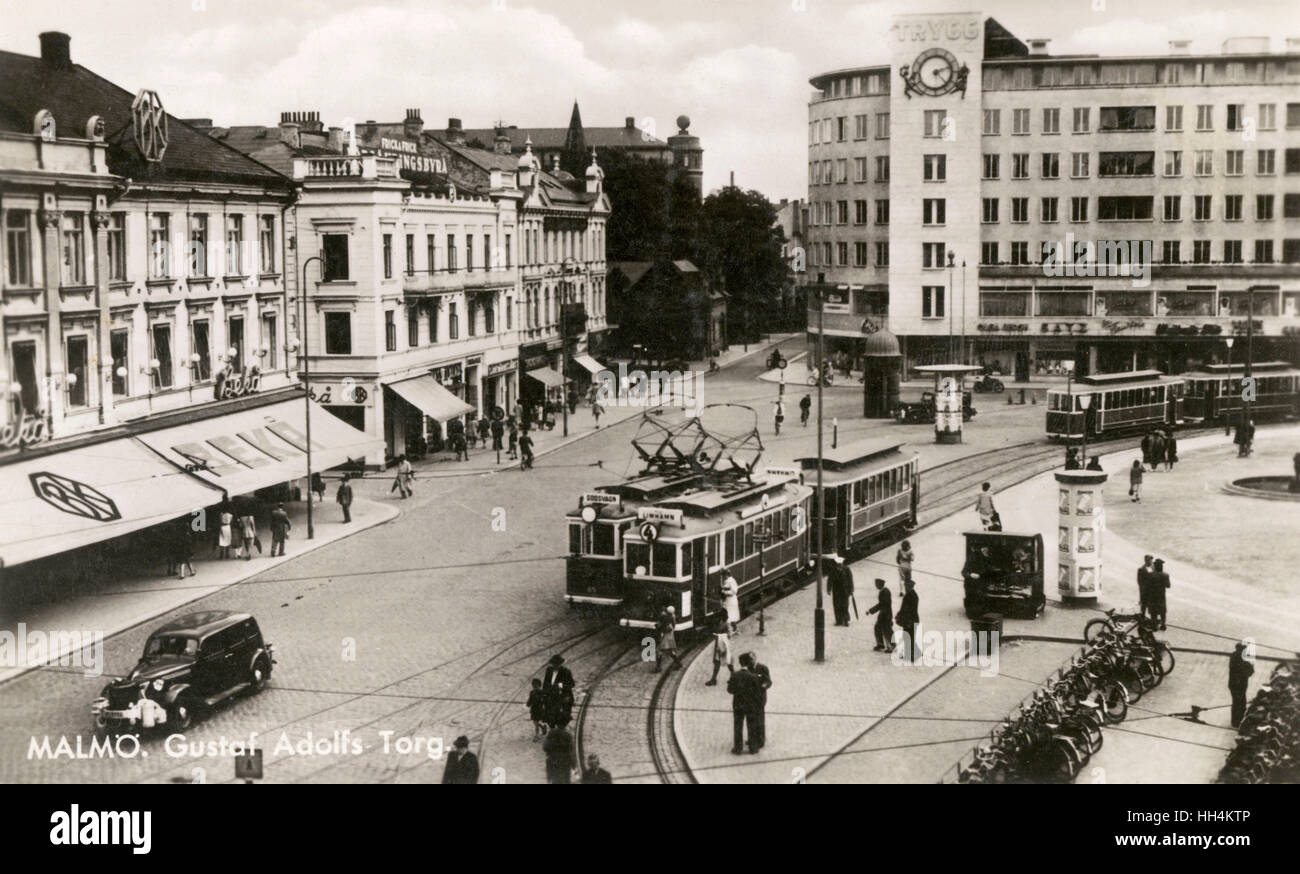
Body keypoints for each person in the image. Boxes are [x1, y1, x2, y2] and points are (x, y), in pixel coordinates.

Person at [727, 657, 764, 755]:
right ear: (749, 664)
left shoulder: (735, 675)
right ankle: (753, 748)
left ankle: (738, 748)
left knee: (738, 726)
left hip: (738, 705)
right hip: (750, 705)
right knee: (751, 726)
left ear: (740, 663)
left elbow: (730, 690)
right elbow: (757, 692)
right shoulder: (753, 677)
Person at [746, 652, 772, 750]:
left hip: (760, 698)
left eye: (752, 659)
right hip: (750, 698)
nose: (751, 661)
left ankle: (761, 740)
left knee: (759, 719)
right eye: (749, 660)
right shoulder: (748, 669)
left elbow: (768, 681)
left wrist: (763, 687)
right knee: (750, 719)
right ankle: (751, 738)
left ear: (755, 658)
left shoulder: (763, 668)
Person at [542, 654, 575, 729]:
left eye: (557, 664)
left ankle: (561, 727)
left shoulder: (566, 672)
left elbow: (572, 684)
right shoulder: (549, 670)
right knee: (549, 716)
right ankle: (552, 727)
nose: (555, 666)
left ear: (560, 664)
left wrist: (561, 685)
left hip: (563, 696)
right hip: (551, 697)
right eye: (553, 664)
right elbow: (545, 683)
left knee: (563, 716)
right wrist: (544, 695)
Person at [1228, 641, 1254, 729]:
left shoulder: (1235, 656)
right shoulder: (1240, 657)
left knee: (1238, 702)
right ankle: (1237, 721)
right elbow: (1249, 671)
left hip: (1236, 684)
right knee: (1239, 703)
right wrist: (1250, 667)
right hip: (1238, 685)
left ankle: (1236, 721)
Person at [542, 717, 574, 784]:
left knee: (554, 780)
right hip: (565, 762)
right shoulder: (568, 735)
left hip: (553, 761)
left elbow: (545, 747)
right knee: (565, 780)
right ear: (566, 724)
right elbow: (571, 751)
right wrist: (574, 764)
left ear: (557, 724)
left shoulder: (551, 733)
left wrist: (550, 753)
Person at [896, 578, 920, 663]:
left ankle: (912, 655)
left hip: (911, 620)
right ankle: (912, 653)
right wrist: (899, 614)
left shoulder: (913, 596)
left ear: (911, 586)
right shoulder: (909, 595)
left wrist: (908, 620)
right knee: (907, 636)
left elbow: (912, 610)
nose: (906, 587)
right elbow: (903, 608)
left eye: (907, 586)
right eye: (905, 586)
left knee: (910, 637)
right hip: (908, 620)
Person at [867, 578, 893, 652]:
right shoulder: (883, 591)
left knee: (887, 630)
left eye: (877, 584)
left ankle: (891, 646)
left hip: (885, 614)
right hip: (884, 613)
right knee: (878, 628)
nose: (876, 585)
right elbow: (881, 604)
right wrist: (871, 611)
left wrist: (871, 611)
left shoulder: (885, 592)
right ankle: (881, 644)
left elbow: (882, 604)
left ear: (880, 584)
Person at [654, 606, 683, 672]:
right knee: (670, 651)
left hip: (666, 637)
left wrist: (658, 627)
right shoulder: (672, 617)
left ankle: (658, 667)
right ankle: (679, 663)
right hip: (670, 637)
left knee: (659, 651)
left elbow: (661, 628)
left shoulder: (666, 618)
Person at [706, 618, 733, 686]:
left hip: (722, 645)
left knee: (726, 662)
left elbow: (729, 634)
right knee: (724, 662)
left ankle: (714, 679)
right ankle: (714, 679)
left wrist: (721, 636)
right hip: (720, 645)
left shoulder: (724, 624)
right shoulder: (724, 624)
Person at [828, 556, 853, 626]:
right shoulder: (833, 571)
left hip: (845, 591)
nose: (839, 565)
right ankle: (838, 620)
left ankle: (845, 620)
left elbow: (850, 580)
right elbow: (830, 580)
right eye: (838, 564)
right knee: (837, 606)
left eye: (841, 564)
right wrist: (829, 589)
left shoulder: (847, 569)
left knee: (845, 606)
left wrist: (851, 589)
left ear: (842, 563)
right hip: (836, 591)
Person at [1148, 558, 1170, 631]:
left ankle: (1154, 625)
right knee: (1162, 611)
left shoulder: (1151, 575)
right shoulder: (1165, 575)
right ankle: (1163, 624)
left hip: (1152, 595)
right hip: (1161, 595)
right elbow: (1168, 585)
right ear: (1161, 566)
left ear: (1155, 566)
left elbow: (1147, 585)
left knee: (1153, 610)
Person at [720, 570, 740, 634]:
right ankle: (736, 629)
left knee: (728, 616)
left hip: (731, 601)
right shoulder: (727, 581)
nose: (723, 577)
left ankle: (730, 632)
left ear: (727, 575)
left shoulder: (731, 581)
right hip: (728, 601)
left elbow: (734, 591)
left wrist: (724, 592)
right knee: (731, 616)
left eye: (724, 575)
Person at [1137, 555, 1155, 623]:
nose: (1150, 561)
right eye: (1149, 560)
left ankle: (1152, 619)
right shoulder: (1142, 569)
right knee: (1144, 605)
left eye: (1151, 560)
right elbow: (1139, 581)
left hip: (1151, 590)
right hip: (1145, 590)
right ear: (1146, 560)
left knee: (1151, 605)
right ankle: (1143, 618)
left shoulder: (1153, 567)